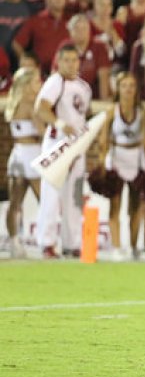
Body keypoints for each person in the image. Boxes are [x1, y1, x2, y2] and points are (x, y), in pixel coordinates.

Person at [34, 44, 92, 258]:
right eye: (66, 60)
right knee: (51, 194)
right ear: (58, 61)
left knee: (74, 195)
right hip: (57, 144)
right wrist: (59, 123)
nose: (70, 64)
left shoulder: (84, 87)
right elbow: (41, 108)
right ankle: (46, 241)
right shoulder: (54, 82)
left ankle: (72, 241)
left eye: (74, 60)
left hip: (77, 145)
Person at [98, 72, 145, 260]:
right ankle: (117, 247)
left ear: (136, 89)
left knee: (136, 206)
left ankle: (135, 247)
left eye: (132, 86)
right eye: (124, 85)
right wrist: (102, 163)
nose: (128, 89)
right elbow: (103, 139)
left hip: (135, 158)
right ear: (118, 89)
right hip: (117, 156)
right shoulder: (112, 111)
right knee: (115, 204)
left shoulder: (143, 113)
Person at [4, 67, 42, 258]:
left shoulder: (13, 102)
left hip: (17, 154)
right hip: (32, 154)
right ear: (27, 85)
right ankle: (47, 241)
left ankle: (14, 242)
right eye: (36, 81)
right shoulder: (31, 104)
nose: (40, 84)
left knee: (14, 202)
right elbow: (43, 131)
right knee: (44, 200)